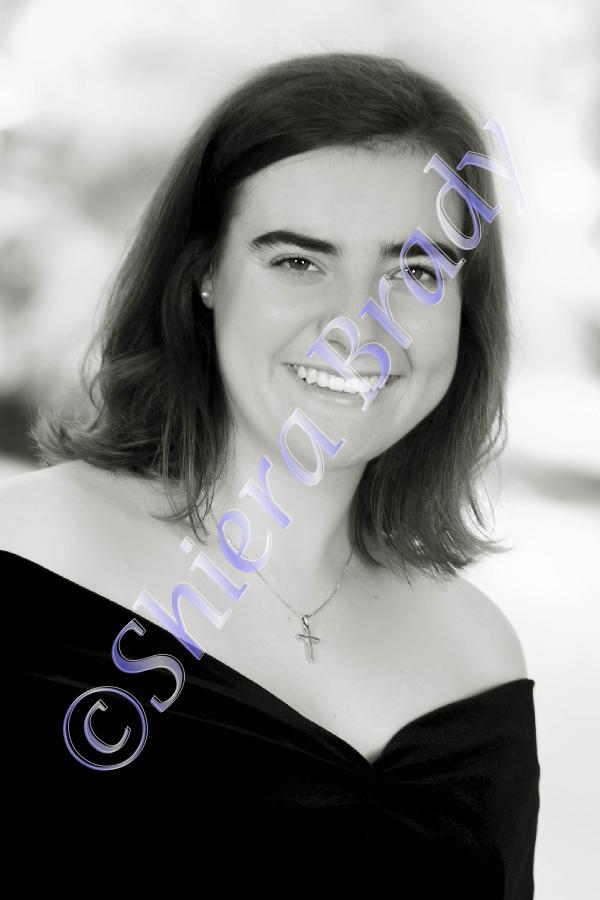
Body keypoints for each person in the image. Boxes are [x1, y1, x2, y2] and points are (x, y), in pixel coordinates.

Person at [2, 52, 539, 895]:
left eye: (415, 272)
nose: (358, 326)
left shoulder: (480, 657)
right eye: (298, 261)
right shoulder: (26, 550)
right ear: (204, 274)